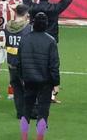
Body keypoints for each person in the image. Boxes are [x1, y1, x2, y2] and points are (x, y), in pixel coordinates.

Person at [21, 0, 82, 102]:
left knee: (35, 66)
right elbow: (67, 0)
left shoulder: (33, 8)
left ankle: (34, 93)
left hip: (34, 41)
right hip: (50, 42)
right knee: (50, 67)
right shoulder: (54, 9)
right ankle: (50, 95)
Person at [17, 12, 60, 140]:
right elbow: (54, 65)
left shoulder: (25, 39)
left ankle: (24, 138)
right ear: (46, 25)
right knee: (43, 112)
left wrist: (23, 77)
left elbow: (18, 62)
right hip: (45, 82)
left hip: (29, 80)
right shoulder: (51, 41)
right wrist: (56, 83)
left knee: (26, 110)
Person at [4, 4, 32, 139]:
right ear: (26, 14)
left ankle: (20, 113)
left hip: (11, 61)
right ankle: (30, 112)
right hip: (24, 63)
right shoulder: (27, 28)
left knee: (16, 88)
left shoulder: (7, 26)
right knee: (28, 88)